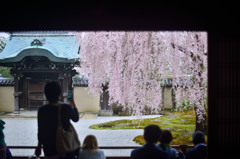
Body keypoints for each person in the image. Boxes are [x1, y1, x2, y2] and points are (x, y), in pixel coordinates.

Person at [35, 81, 79, 159]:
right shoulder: (66, 107)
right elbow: (76, 118)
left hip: (49, 149)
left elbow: (41, 130)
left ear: (46, 94)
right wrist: (73, 103)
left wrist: (39, 146)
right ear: (59, 93)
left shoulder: (42, 110)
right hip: (66, 148)